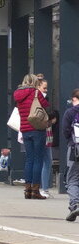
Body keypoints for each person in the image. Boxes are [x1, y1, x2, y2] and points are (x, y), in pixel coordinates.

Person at [12, 73, 48, 200]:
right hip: (37, 128)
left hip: (25, 130)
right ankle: (35, 190)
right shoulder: (36, 93)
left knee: (29, 159)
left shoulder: (17, 94)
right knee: (38, 159)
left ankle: (27, 190)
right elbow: (45, 106)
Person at [63, 90, 79, 222]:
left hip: (75, 149)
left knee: (72, 179)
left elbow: (66, 131)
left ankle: (75, 204)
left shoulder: (70, 113)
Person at [43, 107, 60, 196]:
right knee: (47, 163)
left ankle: (38, 187)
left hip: (45, 143)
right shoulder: (48, 125)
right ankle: (44, 188)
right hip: (47, 143)